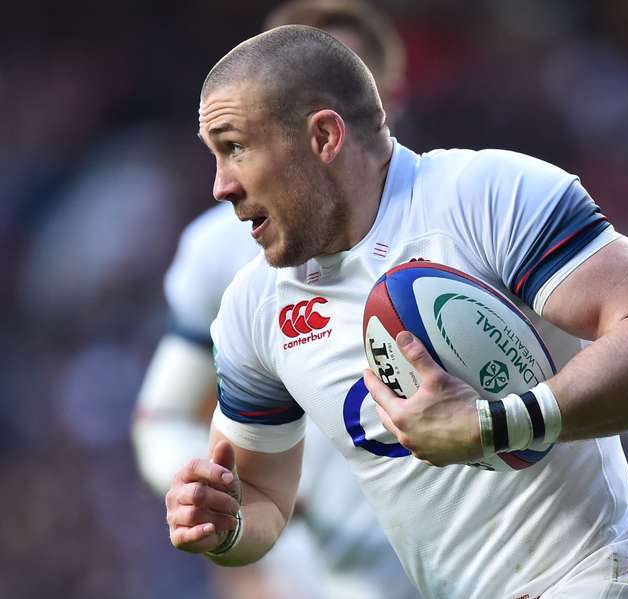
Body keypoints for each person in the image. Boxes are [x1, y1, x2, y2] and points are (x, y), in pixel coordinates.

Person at [166, 25, 628, 598]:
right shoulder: (252, 309)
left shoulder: (484, 195)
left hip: (600, 572)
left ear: (325, 136)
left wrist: (488, 426)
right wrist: (227, 524)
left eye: (235, 147)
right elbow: (263, 497)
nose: (219, 185)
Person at [132, 2, 417, 598]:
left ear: (387, 99)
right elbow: (163, 420)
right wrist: (225, 496)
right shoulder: (221, 250)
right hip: (321, 578)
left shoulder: (460, 221)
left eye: (346, 85)